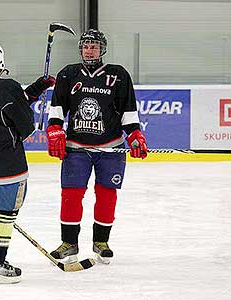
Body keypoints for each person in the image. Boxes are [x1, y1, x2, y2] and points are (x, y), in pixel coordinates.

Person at [46, 29, 148, 264]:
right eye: (85, 45)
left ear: (102, 49)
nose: (89, 49)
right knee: (71, 195)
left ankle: (101, 242)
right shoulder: (68, 74)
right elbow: (58, 108)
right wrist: (54, 129)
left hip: (110, 149)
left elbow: (128, 111)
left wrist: (134, 135)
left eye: (93, 46)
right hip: (76, 148)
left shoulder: (118, 75)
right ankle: (69, 243)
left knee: (106, 195)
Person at [0, 40, 55, 284]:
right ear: (1, 60)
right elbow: (25, 126)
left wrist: (36, 88)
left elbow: (9, 102)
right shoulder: (8, 87)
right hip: (7, 166)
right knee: (5, 216)